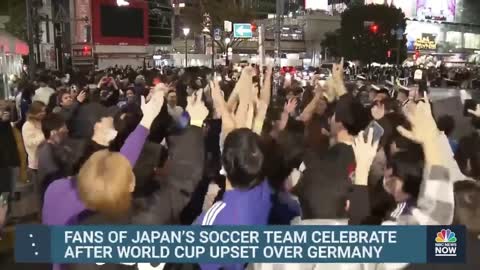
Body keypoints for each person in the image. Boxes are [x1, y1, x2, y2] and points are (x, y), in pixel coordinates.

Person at [37, 113, 71, 202]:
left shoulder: (58, 146)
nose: (67, 130)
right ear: (53, 133)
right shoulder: (46, 152)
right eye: (64, 128)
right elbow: (55, 179)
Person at [22, 101, 46, 186]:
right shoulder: (27, 125)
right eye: (41, 111)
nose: (44, 113)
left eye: (44, 111)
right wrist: (45, 136)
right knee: (39, 188)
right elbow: (30, 143)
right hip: (36, 162)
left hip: (46, 159)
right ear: (34, 112)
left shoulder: (42, 122)